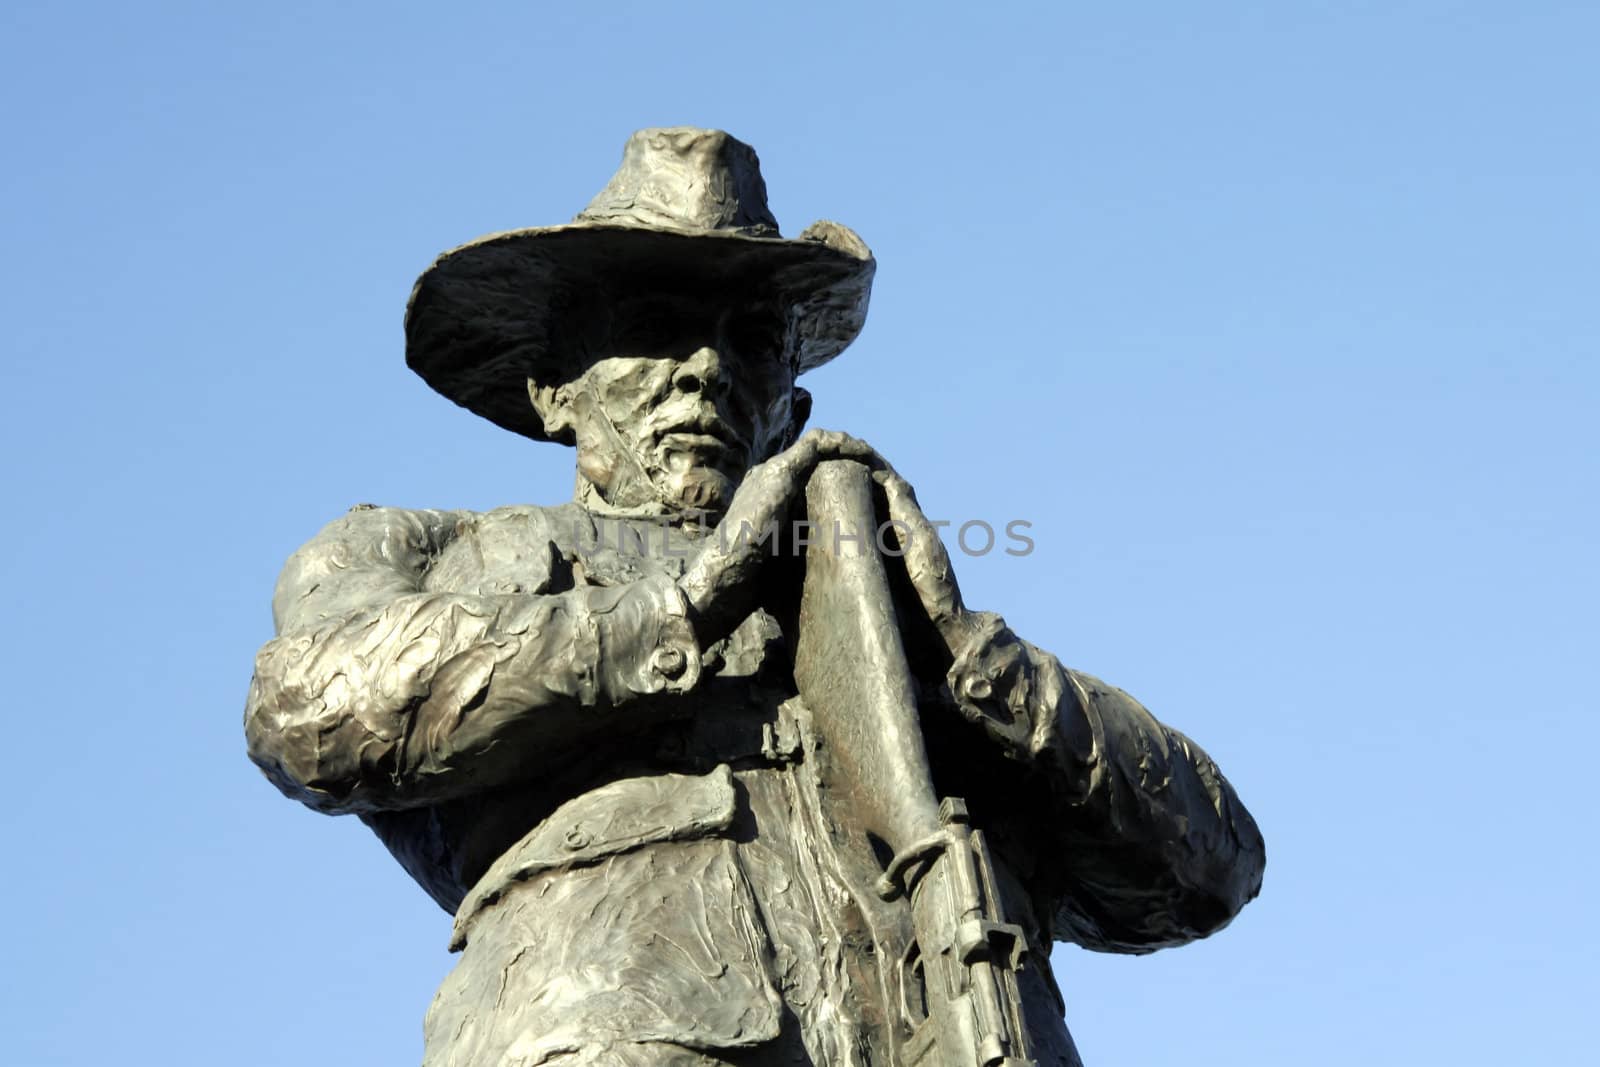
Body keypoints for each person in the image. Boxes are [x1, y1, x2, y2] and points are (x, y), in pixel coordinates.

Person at [244, 127, 1264, 1067]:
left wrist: (961, 656)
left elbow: (1207, 871)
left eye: (750, 342)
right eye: (654, 328)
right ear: (553, 390)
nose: (704, 370)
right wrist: (684, 605)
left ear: (793, 408)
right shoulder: (424, 546)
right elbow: (314, 710)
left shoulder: (887, 624)